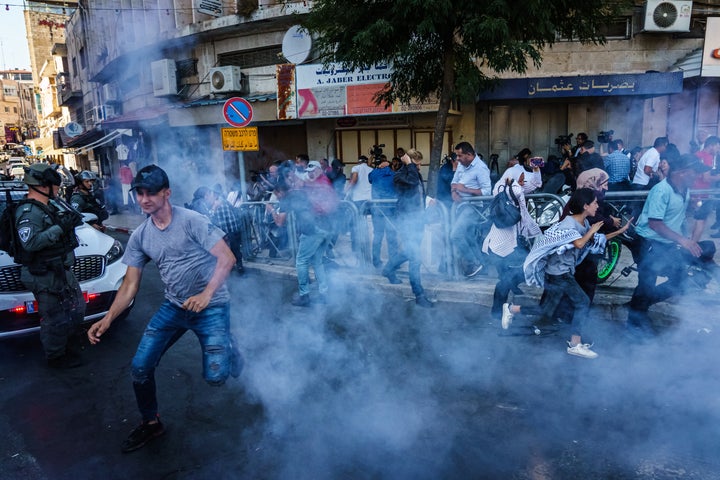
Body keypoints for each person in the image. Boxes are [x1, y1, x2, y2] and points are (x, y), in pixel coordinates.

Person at [87, 165, 240, 453]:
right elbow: (130, 284)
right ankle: (151, 424)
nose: (144, 199)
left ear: (166, 193)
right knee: (140, 368)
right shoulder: (140, 236)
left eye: (151, 193)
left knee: (216, 378)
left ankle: (229, 346)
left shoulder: (192, 220)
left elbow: (227, 258)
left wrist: (207, 295)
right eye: (140, 193)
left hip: (212, 306)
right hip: (174, 307)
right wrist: (107, 319)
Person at [504, 188, 628, 359]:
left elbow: (596, 240)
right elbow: (578, 243)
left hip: (560, 273)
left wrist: (619, 232)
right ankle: (575, 344)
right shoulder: (568, 225)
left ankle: (511, 309)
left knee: (546, 311)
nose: (597, 206)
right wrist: (592, 231)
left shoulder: (583, 223)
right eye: (594, 203)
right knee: (582, 302)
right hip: (558, 274)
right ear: (585, 206)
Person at [627, 154, 712, 335]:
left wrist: (697, 209)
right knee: (646, 285)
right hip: (647, 244)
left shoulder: (684, 190)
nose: (698, 176)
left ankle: (639, 307)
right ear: (682, 172)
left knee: (679, 281)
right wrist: (683, 240)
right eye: (695, 172)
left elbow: (681, 209)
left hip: (667, 245)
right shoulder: (661, 190)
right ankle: (634, 326)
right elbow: (655, 223)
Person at [14, 163, 85, 369]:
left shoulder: (50, 205)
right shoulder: (28, 212)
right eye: (54, 185)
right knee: (53, 317)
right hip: (43, 274)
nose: (57, 188)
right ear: (43, 186)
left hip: (60, 270)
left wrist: (68, 222)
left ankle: (66, 344)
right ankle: (55, 357)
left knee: (76, 308)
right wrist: (59, 227)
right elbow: (31, 243)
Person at [481, 164, 541, 317]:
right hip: (499, 244)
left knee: (514, 275)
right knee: (505, 280)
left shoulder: (516, 189)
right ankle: (497, 312)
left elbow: (535, 184)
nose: (522, 182)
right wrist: (512, 182)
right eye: (520, 178)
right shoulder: (503, 189)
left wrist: (536, 170)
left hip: (512, 243)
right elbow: (511, 190)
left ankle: (500, 309)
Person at [269, 168, 335, 306]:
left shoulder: (286, 199)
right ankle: (324, 294)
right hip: (327, 227)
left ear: (280, 192)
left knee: (301, 260)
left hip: (312, 230)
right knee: (317, 261)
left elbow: (280, 223)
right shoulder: (300, 192)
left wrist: (272, 210)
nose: (277, 197)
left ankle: (304, 295)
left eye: (277, 195)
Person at [382, 149, 434, 308]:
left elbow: (418, 193)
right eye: (416, 164)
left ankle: (389, 268)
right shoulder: (400, 175)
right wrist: (410, 164)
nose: (419, 168)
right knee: (415, 258)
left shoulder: (414, 173)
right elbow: (411, 183)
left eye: (419, 164)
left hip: (417, 220)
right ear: (409, 162)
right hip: (405, 221)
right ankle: (419, 294)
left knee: (410, 253)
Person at [450, 141, 492, 277]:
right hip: (459, 206)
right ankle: (482, 266)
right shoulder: (462, 165)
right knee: (468, 238)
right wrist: (454, 193)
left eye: (460, 156)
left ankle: (473, 264)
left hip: (472, 208)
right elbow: (454, 182)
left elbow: (487, 191)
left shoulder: (481, 168)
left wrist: (466, 190)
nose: (457, 159)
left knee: (455, 235)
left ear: (469, 155)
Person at [368, 155, 399, 269]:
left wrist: (377, 168)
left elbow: (370, 178)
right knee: (392, 236)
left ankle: (376, 261)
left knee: (378, 236)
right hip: (391, 209)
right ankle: (394, 261)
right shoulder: (393, 174)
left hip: (377, 210)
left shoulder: (374, 173)